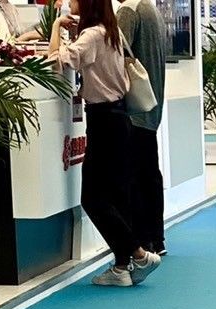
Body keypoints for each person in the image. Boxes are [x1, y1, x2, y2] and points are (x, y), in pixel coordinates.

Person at [51, 0, 161, 287]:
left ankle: (138, 254)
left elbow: (58, 60)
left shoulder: (92, 35)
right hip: (120, 119)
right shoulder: (111, 32)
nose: (70, 2)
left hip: (103, 121)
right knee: (116, 195)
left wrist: (56, 25)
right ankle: (122, 266)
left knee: (93, 198)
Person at [118, 0, 167, 257]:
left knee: (134, 178)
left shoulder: (129, 10)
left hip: (133, 110)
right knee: (150, 175)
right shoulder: (152, 9)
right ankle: (156, 238)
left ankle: (142, 241)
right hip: (150, 105)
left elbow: (115, 55)